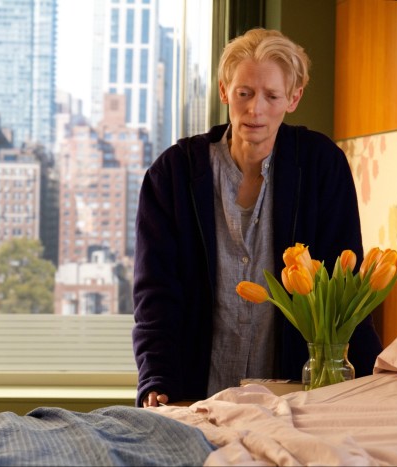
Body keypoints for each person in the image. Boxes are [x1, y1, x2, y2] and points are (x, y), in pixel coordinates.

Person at [132, 28, 382, 408]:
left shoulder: (321, 166)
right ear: (223, 91)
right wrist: (156, 377)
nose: (255, 110)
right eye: (243, 94)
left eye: (271, 96)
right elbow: (155, 295)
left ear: (293, 98)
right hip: (192, 397)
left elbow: (343, 287)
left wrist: (369, 386)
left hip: (294, 402)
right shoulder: (172, 174)